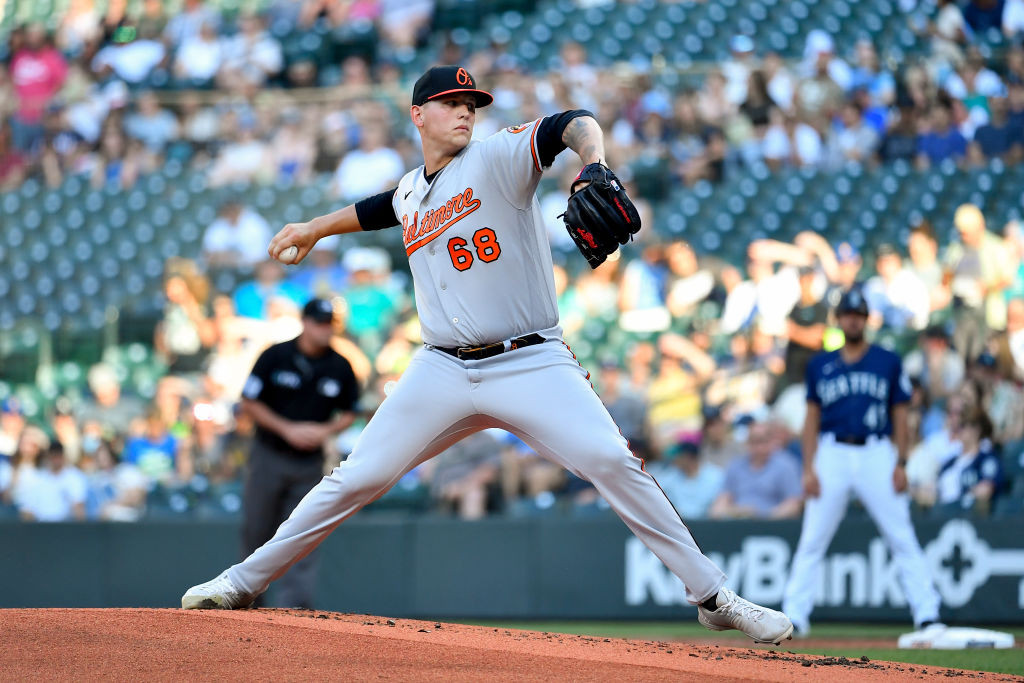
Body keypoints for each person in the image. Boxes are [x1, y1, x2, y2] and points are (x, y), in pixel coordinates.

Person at [183, 65, 793, 645]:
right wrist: (316, 227)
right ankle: (242, 583)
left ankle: (714, 599)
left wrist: (595, 161)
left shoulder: (498, 157)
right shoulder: (409, 193)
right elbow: (378, 208)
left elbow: (571, 122)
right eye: (451, 103)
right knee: (354, 478)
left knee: (612, 461)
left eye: (470, 104)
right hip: (442, 367)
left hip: (530, 360)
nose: (465, 112)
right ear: (418, 114)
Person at [782, 286, 943, 641]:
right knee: (812, 538)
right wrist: (809, 468)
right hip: (832, 452)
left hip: (876, 452)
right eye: (848, 314)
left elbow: (901, 414)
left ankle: (927, 614)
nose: (853, 320)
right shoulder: (820, 364)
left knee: (901, 534)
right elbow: (811, 419)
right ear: (839, 320)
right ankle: (795, 615)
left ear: (866, 320)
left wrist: (901, 461)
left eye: (859, 315)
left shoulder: (887, 360)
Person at [236, 298, 360, 609]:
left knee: (303, 533)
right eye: (319, 322)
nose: (324, 329)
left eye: (329, 324)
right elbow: (248, 402)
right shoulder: (275, 356)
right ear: (304, 322)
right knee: (257, 531)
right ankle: (249, 603)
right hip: (269, 454)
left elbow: (350, 412)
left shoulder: (340, 365)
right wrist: (286, 428)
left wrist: (325, 431)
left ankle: (295, 611)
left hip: (309, 462)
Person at [708, 421, 802, 520]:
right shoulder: (736, 466)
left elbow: (794, 504)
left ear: (772, 441)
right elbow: (720, 503)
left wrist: (761, 516)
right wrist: (735, 512)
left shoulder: (786, 465)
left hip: (772, 527)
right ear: (747, 443)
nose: (758, 447)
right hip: (738, 525)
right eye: (754, 442)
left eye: (762, 441)